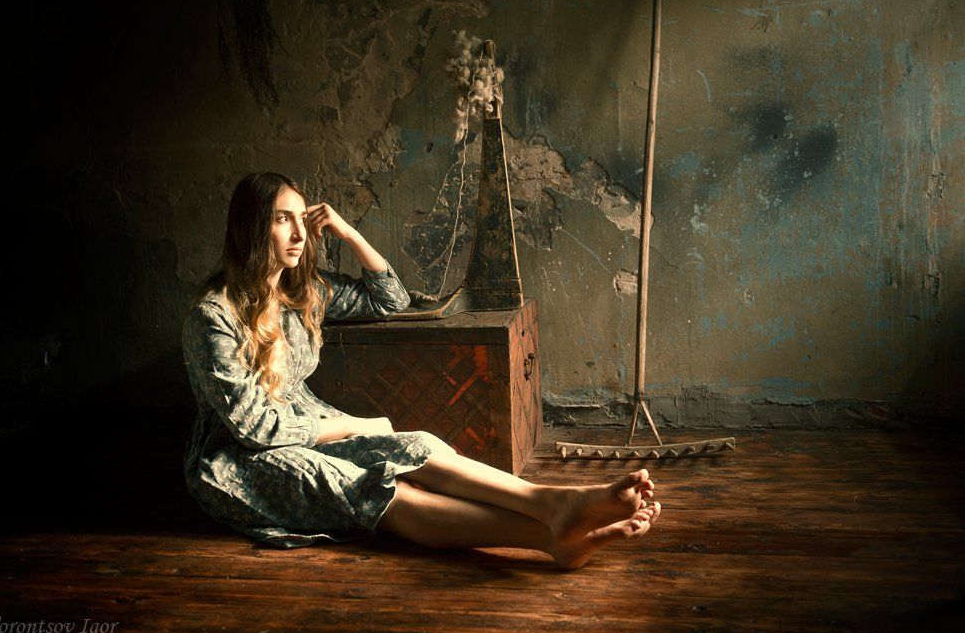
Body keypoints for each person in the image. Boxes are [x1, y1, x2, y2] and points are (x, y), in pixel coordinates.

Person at [182, 172, 661, 570]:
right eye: (281, 219)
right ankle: (549, 537)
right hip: (239, 458)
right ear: (251, 227)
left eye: (301, 218)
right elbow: (256, 428)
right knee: (375, 488)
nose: (299, 234)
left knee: (417, 445)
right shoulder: (213, 316)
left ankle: (549, 503)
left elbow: (390, 299)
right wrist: (354, 425)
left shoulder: (302, 292)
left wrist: (349, 233)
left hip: (310, 427)